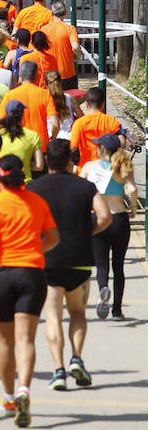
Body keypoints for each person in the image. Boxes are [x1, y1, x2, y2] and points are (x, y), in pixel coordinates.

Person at [0, 154, 59, 427]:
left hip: (1, 275)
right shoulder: (37, 202)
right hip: (32, 274)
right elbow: (53, 237)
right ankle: (25, 389)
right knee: (26, 339)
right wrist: (36, 250)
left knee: (5, 341)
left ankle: (9, 395)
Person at [29, 139, 112, 389]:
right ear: (69, 160)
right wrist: (91, 232)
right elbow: (105, 215)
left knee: (52, 316)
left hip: (48, 261)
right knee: (77, 312)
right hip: (79, 260)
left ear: (46, 160)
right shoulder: (85, 187)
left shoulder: (34, 188)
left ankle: (58, 370)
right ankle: (76, 357)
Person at [81, 134, 138, 320]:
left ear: (102, 149)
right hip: (119, 218)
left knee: (102, 264)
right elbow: (132, 189)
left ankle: (103, 290)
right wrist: (133, 208)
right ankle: (117, 309)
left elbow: (81, 188)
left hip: (98, 217)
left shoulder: (90, 167)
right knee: (119, 265)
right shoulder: (124, 166)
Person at [70, 87, 124, 170]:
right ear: (103, 104)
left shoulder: (79, 123)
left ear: (86, 105)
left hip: (86, 168)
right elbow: (122, 141)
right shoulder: (111, 120)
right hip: (107, 168)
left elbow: (73, 147)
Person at [0, 99, 44, 182]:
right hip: (25, 183)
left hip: (3, 183)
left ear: (6, 114)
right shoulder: (32, 135)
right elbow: (39, 166)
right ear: (22, 115)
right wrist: (27, 163)